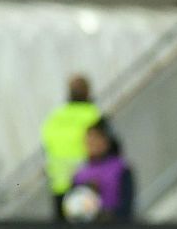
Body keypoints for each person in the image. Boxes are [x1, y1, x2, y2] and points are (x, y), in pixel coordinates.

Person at [40, 75, 101, 219]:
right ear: (88, 91)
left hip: (59, 182)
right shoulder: (93, 115)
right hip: (87, 181)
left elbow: (45, 146)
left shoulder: (55, 116)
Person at [68, 122, 134, 220]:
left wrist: (107, 216)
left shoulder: (120, 169)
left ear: (106, 142)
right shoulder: (79, 174)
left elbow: (127, 204)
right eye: (89, 140)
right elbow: (71, 207)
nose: (92, 144)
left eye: (96, 139)